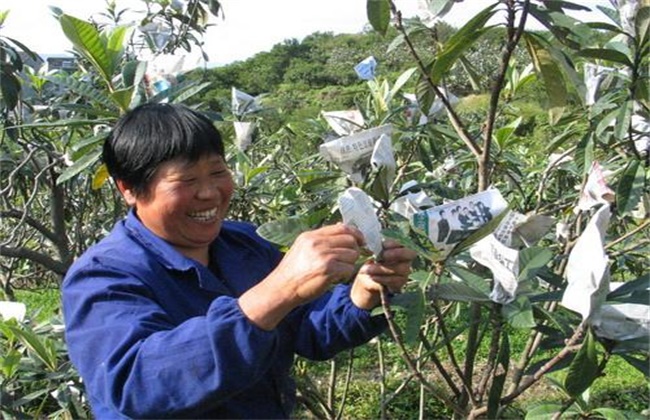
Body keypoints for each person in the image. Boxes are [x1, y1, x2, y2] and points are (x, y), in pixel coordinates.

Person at [62, 103, 416, 419]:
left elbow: (305, 329)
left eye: (217, 172)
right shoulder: (102, 277)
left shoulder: (242, 243)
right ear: (128, 189)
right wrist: (277, 291)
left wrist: (362, 295)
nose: (209, 192)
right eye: (186, 180)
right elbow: (136, 385)